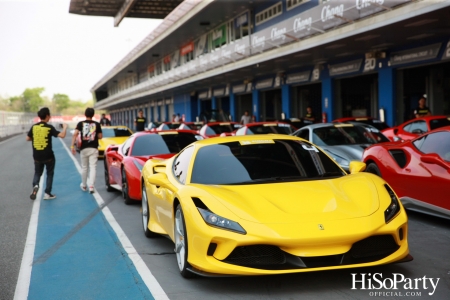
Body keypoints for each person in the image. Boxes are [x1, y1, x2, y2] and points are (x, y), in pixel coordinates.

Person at [27, 107, 68, 200]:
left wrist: (38, 137)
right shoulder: (49, 127)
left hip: (37, 155)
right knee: (49, 173)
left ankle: (36, 185)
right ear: (47, 116)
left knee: (37, 172)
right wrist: (65, 128)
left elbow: (28, 138)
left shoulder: (34, 127)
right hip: (48, 155)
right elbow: (62, 135)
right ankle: (47, 193)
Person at [70, 107, 103, 193]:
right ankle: (91, 186)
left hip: (84, 148)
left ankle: (84, 185)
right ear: (93, 115)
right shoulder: (97, 124)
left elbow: (75, 134)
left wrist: (72, 146)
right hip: (93, 148)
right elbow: (100, 136)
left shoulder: (81, 123)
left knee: (84, 168)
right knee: (93, 167)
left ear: (85, 114)